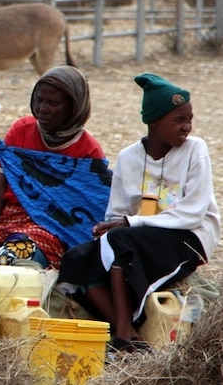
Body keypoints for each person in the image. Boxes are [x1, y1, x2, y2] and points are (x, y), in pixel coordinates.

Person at [57, 73, 219, 352]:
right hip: (137, 238)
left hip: (189, 236)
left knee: (121, 244)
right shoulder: (129, 157)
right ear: (153, 121)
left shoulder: (196, 150)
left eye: (189, 119)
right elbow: (117, 213)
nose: (187, 127)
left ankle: (122, 335)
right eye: (178, 120)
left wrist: (131, 222)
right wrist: (110, 227)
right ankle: (132, 336)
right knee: (77, 259)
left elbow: (192, 213)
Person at [0, 65, 111, 270]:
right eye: (39, 100)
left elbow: (85, 219)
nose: (43, 108)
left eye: (53, 103)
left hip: (48, 230)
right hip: (4, 217)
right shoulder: (21, 130)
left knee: (4, 262)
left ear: (75, 107)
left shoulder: (88, 152)